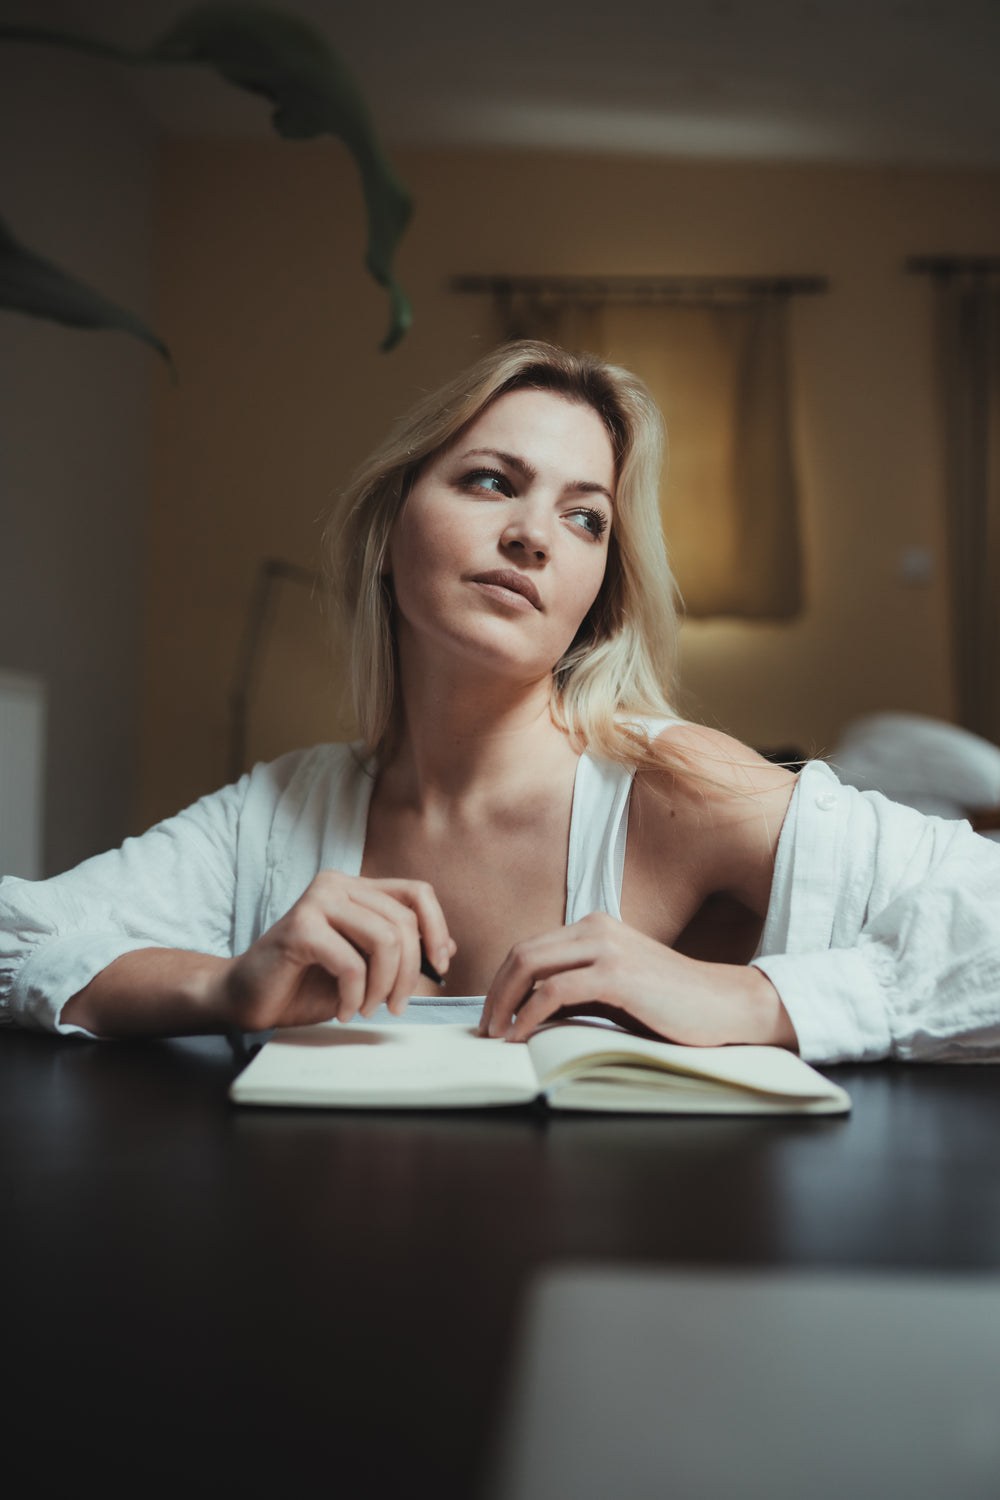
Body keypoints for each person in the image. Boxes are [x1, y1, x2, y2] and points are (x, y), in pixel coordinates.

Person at [2, 341, 999, 1064]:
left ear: (594, 593)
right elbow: (17, 939)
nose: (535, 537)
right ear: (390, 532)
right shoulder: (279, 811)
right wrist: (223, 988)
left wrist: (746, 995)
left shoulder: (673, 783)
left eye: (583, 517)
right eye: (489, 482)